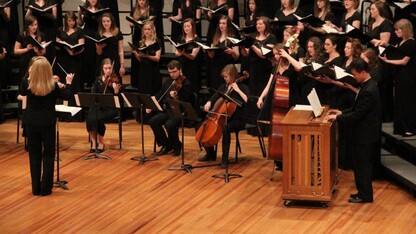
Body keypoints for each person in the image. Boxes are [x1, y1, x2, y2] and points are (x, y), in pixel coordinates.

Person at [327, 58, 381, 203]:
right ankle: (362, 193)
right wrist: (341, 112)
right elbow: (356, 108)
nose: (354, 77)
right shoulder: (367, 85)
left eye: (355, 74)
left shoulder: (368, 90)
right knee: (360, 165)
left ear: (363, 72)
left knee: (362, 166)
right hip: (363, 134)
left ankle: (365, 195)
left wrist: (337, 119)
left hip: (365, 135)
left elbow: (358, 115)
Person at [19, 56, 74, 196]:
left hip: (31, 122)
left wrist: (31, 74)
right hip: (47, 122)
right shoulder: (53, 85)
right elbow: (67, 95)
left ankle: (35, 188)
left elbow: (23, 91)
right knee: (48, 155)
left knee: (34, 155)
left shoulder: (27, 83)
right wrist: (68, 83)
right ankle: (45, 189)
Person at [197, 64, 250, 168]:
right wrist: (209, 102)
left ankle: (225, 158)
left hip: (238, 119)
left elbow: (248, 100)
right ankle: (210, 154)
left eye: (226, 77)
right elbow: (215, 96)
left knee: (225, 129)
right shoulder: (224, 87)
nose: (224, 79)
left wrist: (238, 90)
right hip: (223, 117)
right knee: (199, 126)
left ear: (233, 75)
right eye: (224, 77)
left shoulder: (242, 87)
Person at [379, 19, 416, 137]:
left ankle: (409, 127)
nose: (395, 32)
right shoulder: (401, 42)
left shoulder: (411, 43)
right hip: (400, 75)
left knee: (407, 101)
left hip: (408, 76)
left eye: (397, 29)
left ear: (404, 30)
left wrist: (388, 60)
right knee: (399, 101)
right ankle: (401, 127)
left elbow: (404, 61)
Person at [148, 60, 193, 156]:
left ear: (180, 70)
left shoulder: (186, 83)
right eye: (170, 72)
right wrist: (151, 104)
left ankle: (177, 145)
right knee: (153, 121)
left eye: (174, 72)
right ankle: (166, 145)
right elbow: (160, 94)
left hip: (180, 112)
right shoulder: (168, 82)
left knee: (169, 125)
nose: (172, 74)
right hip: (168, 111)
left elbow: (186, 101)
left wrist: (176, 97)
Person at [86, 58, 121, 153]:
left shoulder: (115, 80)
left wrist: (116, 92)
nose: (108, 70)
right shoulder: (98, 80)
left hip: (110, 109)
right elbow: (93, 95)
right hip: (98, 107)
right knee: (90, 117)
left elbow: (118, 100)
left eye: (109, 68)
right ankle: (94, 143)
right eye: (106, 68)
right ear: (102, 69)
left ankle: (101, 142)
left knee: (97, 118)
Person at [55, 11, 84, 111]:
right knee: (63, 83)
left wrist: (73, 52)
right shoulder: (60, 30)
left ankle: (77, 111)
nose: (71, 23)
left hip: (74, 59)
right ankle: (63, 112)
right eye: (69, 21)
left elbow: (82, 46)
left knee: (74, 83)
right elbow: (57, 45)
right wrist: (63, 47)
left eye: (73, 20)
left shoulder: (79, 31)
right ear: (66, 21)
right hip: (63, 59)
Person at [206, 15, 239, 90]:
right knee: (216, 88)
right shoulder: (215, 37)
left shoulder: (233, 37)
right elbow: (212, 55)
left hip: (227, 67)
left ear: (228, 25)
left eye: (224, 23)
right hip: (215, 67)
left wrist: (232, 52)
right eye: (220, 23)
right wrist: (209, 52)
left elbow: (237, 55)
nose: (221, 25)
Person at [129, 0, 155, 88]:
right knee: (136, 56)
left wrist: (143, 23)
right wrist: (135, 23)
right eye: (139, 0)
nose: (141, 2)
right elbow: (130, 23)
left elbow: (152, 22)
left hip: (146, 35)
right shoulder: (134, 9)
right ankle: (135, 82)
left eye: (143, 0)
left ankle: (144, 81)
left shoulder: (150, 9)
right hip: (137, 35)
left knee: (144, 55)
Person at [14, 15, 46, 81]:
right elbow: (16, 51)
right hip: (25, 61)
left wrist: (37, 52)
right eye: (32, 25)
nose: (34, 27)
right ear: (27, 26)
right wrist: (27, 49)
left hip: (37, 61)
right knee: (25, 81)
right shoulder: (22, 35)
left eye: (36, 24)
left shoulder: (41, 35)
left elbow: (44, 51)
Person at [174, 18, 202, 92]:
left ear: (192, 27)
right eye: (184, 26)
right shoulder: (180, 37)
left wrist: (182, 52)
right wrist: (180, 52)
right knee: (181, 88)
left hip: (192, 67)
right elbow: (176, 53)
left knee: (191, 88)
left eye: (188, 26)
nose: (186, 28)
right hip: (181, 65)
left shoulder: (197, 39)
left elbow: (193, 56)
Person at [95, 12, 125, 79]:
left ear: (112, 21)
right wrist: (99, 48)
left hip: (114, 61)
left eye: (108, 21)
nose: (106, 23)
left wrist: (122, 65)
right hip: (102, 61)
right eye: (104, 21)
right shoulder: (98, 34)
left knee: (115, 83)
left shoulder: (117, 32)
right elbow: (98, 53)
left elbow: (121, 50)